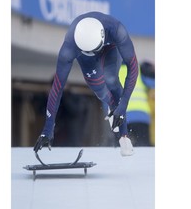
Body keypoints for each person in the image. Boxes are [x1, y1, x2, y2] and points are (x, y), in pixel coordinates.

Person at [34, 11, 139, 156]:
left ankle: (124, 136)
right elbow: (57, 89)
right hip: (86, 57)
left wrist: (123, 105)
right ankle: (111, 105)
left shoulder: (117, 30)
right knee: (98, 88)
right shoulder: (69, 48)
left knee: (111, 79)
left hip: (110, 48)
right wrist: (48, 128)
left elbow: (133, 69)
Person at [119, 61, 155, 146]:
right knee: (143, 146)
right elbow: (153, 83)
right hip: (141, 115)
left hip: (122, 117)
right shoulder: (137, 69)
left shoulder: (112, 72)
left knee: (124, 147)